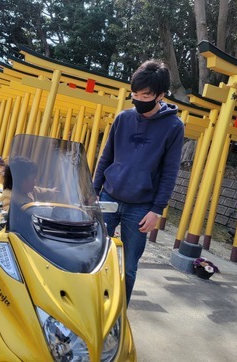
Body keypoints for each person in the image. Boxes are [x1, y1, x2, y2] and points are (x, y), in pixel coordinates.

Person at [93, 59, 184, 306]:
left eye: (145, 95)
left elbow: (169, 171)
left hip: (141, 207)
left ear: (160, 95)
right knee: (95, 257)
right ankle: (92, 307)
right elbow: (106, 157)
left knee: (129, 267)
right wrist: (93, 192)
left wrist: (157, 210)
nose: (138, 99)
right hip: (108, 197)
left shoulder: (174, 126)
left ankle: (118, 314)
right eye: (134, 93)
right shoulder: (123, 118)